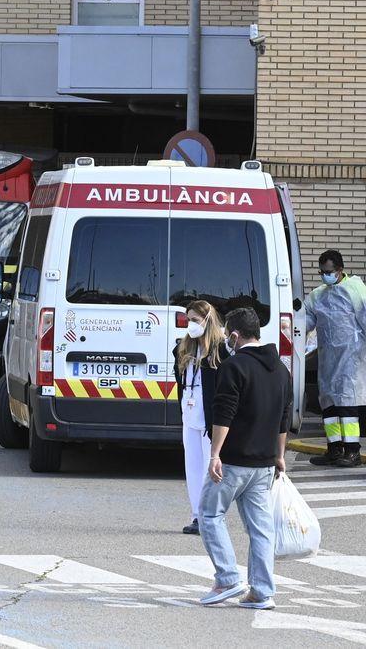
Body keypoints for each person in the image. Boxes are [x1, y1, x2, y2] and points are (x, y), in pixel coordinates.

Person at [199, 307, 291, 610]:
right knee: (261, 528)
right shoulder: (281, 370)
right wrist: (279, 456)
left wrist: (215, 454)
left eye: (228, 335)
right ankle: (262, 592)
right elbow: (283, 419)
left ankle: (227, 578)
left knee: (210, 515)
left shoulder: (234, 366)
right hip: (265, 463)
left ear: (235, 335)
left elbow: (223, 412)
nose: (227, 340)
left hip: (235, 460)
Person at [303, 250, 366, 468]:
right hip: (328, 359)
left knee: (347, 405)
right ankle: (334, 449)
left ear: (340, 270)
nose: (325, 275)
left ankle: (352, 451)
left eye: (328, 272)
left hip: (351, 358)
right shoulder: (318, 295)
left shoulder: (356, 290)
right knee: (328, 404)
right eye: (322, 272)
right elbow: (305, 319)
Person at [173, 301, 230, 535]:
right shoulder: (184, 348)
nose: (191, 325)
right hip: (190, 415)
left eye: (195, 320)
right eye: (189, 320)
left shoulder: (220, 350)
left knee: (212, 468)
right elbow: (181, 380)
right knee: (193, 468)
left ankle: (213, 516)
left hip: (210, 419)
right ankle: (197, 516)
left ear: (208, 320)